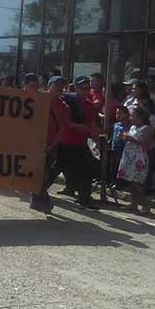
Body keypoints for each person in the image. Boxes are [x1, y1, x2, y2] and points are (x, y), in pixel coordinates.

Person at [56, 76, 100, 210]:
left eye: (88, 88)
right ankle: (39, 192)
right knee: (55, 169)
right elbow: (64, 122)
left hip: (80, 142)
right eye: (82, 88)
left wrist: (97, 138)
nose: (85, 91)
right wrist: (79, 127)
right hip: (64, 141)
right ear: (76, 88)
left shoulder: (89, 105)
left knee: (86, 170)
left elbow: (91, 123)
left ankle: (85, 198)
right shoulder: (66, 102)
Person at [30, 76, 72, 214]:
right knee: (36, 173)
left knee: (44, 174)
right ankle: (41, 200)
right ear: (49, 86)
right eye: (57, 85)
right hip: (34, 143)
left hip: (50, 146)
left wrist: (52, 146)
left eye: (62, 86)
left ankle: (41, 200)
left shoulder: (64, 107)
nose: (60, 88)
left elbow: (62, 129)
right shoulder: (36, 100)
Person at [117, 107, 153, 214]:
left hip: (139, 158)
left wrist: (130, 138)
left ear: (140, 117)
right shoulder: (132, 127)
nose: (130, 118)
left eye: (133, 116)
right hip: (129, 156)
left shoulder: (147, 128)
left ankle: (145, 205)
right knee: (131, 182)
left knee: (137, 182)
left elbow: (143, 141)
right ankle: (133, 204)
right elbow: (127, 138)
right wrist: (123, 136)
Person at [110, 106, 131, 188]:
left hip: (123, 149)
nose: (118, 115)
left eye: (120, 113)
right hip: (114, 148)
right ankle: (113, 181)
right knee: (113, 166)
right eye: (116, 113)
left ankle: (121, 183)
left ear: (126, 114)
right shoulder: (116, 125)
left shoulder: (129, 126)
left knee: (121, 166)